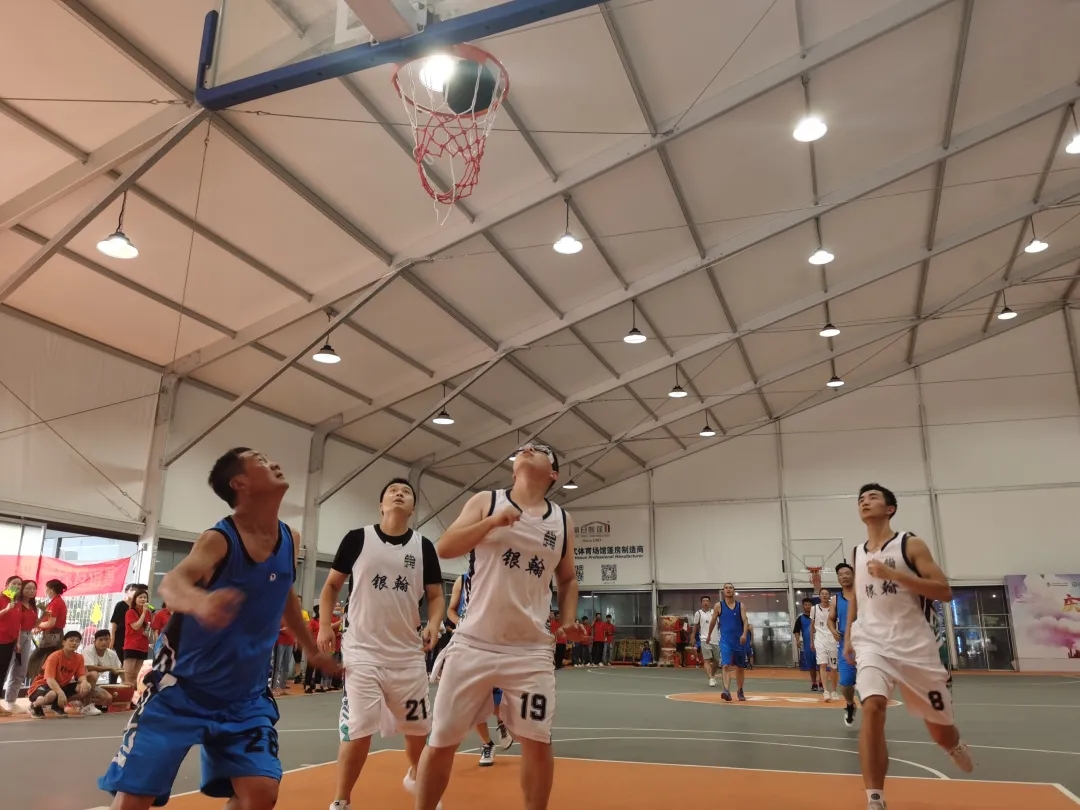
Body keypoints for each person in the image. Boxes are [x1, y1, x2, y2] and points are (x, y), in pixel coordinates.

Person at [98, 447, 338, 810]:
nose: (274, 462)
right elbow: (173, 582)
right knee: (133, 800)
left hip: (245, 698)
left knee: (260, 794)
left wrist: (311, 648)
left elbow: (286, 595)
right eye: (260, 460)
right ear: (240, 483)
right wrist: (201, 602)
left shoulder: (290, 538)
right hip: (182, 690)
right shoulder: (220, 539)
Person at [414, 442, 583, 810]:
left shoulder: (562, 521)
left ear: (553, 473)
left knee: (537, 741)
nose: (528, 448)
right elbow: (444, 547)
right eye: (524, 447)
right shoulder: (486, 501)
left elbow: (568, 579)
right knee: (441, 739)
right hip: (474, 642)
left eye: (539, 449)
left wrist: (569, 620)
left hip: (530, 650)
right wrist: (491, 523)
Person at [318, 478, 447, 810]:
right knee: (358, 729)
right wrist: (324, 625)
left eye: (406, 492)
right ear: (381, 504)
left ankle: (418, 780)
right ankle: (341, 800)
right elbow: (331, 586)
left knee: (418, 729)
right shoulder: (357, 539)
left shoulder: (423, 547)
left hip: (407, 655)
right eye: (392, 491)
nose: (399, 494)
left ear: (413, 508)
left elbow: (435, 595)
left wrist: (434, 623)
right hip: (362, 652)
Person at [846, 483, 973, 810]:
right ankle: (875, 798)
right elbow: (856, 597)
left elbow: (943, 591)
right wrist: (848, 637)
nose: (865, 502)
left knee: (940, 730)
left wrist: (894, 574)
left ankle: (953, 743)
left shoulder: (909, 544)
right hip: (871, 642)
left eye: (873, 497)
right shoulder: (857, 552)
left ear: (890, 508)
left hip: (914, 646)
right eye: (861, 499)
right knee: (872, 706)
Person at [446, 571, 513, 765]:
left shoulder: (498, 577)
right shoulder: (462, 580)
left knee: (495, 700)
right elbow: (451, 610)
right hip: (468, 646)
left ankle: (502, 722)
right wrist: (462, 623)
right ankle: (487, 744)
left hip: (494, 645)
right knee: (473, 700)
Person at [28, 630, 91, 718]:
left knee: (87, 687)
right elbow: (50, 679)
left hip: (61, 686)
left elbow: (81, 675)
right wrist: (60, 693)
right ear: (63, 642)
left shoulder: (79, 658)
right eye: (71, 640)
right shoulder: (54, 657)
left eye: (77, 641)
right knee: (52, 694)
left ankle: (57, 705)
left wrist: (84, 681)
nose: (74, 643)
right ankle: (34, 706)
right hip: (42, 685)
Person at [707, 583, 748, 701]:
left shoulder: (740, 606)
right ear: (723, 591)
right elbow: (713, 621)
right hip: (725, 641)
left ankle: (740, 690)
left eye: (730, 588)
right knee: (725, 665)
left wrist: (744, 634)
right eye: (726, 588)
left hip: (739, 641)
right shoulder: (718, 606)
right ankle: (726, 690)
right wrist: (709, 635)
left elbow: (745, 621)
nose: (728, 589)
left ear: (734, 590)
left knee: (740, 667)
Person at [829, 563, 858, 727]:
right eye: (840, 574)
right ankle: (850, 704)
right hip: (845, 644)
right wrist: (833, 630)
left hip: (866, 644)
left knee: (869, 683)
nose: (844, 576)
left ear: (853, 575)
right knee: (846, 682)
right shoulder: (836, 599)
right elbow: (831, 619)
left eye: (847, 573)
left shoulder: (864, 594)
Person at [3, 578, 38, 712]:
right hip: (14, 637)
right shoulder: (14, 603)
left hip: (27, 637)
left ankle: (11, 701)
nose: (31, 591)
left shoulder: (32, 606)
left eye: (33, 588)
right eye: (27, 588)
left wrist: (42, 618)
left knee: (20, 670)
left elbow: (32, 625)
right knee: (5, 669)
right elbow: (16, 624)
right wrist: (17, 641)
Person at [27, 578, 68, 680]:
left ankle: (38, 680)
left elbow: (51, 623)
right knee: (45, 659)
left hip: (52, 634)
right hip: (54, 634)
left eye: (46, 588)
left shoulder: (55, 603)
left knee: (39, 659)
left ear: (51, 589)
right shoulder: (57, 601)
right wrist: (40, 627)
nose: (45, 590)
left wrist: (38, 625)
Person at [81, 629, 125, 714]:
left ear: (110, 640)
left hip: (92, 686)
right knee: (93, 674)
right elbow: (89, 667)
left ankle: (81, 704)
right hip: (80, 683)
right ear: (94, 641)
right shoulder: (88, 650)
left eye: (106, 639)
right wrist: (109, 668)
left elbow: (119, 669)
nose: (104, 642)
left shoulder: (112, 654)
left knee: (108, 699)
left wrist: (125, 681)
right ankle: (87, 706)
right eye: (100, 640)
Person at [110, 584, 142, 682]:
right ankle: (112, 683)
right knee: (117, 661)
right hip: (120, 636)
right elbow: (114, 623)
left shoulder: (137, 608)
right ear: (126, 591)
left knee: (127, 663)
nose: (134, 592)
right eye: (132, 590)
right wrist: (112, 638)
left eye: (136, 590)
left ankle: (125, 683)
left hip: (131, 639)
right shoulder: (121, 605)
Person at [811, 588, 839, 702]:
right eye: (822, 594)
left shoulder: (834, 608)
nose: (824, 595)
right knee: (822, 664)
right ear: (819, 596)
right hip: (820, 639)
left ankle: (834, 691)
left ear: (829, 596)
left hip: (832, 639)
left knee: (833, 667)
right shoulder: (814, 609)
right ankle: (826, 691)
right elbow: (812, 626)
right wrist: (811, 641)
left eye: (826, 594)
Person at [122, 589, 152, 686]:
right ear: (135, 599)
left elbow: (147, 627)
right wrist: (143, 613)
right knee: (128, 674)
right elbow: (136, 626)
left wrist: (147, 631)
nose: (143, 599)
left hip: (143, 645)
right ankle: (127, 693)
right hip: (132, 645)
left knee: (138, 675)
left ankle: (134, 693)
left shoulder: (148, 613)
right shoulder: (130, 612)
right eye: (140, 597)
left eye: (145, 597)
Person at [792, 597, 820, 691]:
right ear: (803, 606)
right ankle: (814, 683)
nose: (808, 606)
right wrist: (797, 640)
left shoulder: (818, 617)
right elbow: (796, 631)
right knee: (811, 665)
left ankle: (821, 682)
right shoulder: (800, 618)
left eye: (809, 604)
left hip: (820, 644)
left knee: (821, 664)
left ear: (813, 606)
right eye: (806, 604)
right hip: (808, 646)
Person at [694, 595, 719, 686]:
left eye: (707, 601)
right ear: (701, 603)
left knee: (717, 661)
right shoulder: (698, 613)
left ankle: (712, 675)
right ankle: (711, 679)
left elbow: (719, 625)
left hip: (715, 640)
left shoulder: (715, 612)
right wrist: (692, 636)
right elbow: (695, 626)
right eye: (704, 601)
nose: (705, 602)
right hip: (704, 639)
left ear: (710, 602)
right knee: (707, 660)